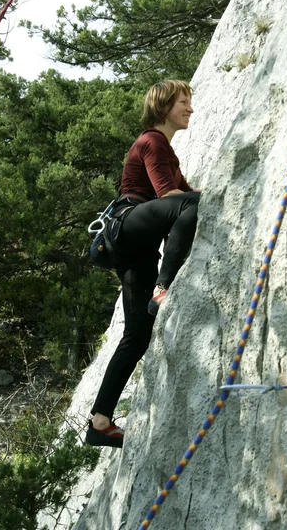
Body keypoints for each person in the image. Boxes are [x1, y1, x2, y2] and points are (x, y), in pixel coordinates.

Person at [85, 79, 201, 448]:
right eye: (183, 101)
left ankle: (99, 421)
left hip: (135, 248)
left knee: (137, 335)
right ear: (164, 106)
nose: (190, 108)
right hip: (127, 223)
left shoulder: (167, 150)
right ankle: (163, 287)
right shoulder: (151, 141)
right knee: (188, 204)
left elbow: (182, 195)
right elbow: (173, 196)